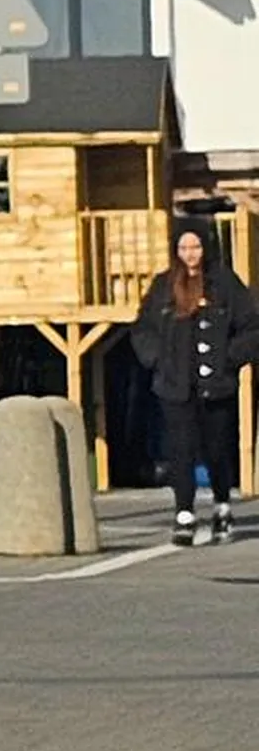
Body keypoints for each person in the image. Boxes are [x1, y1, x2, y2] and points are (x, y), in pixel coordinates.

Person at [131, 217, 259, 545]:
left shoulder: (225, 284)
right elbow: (143, 329)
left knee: (217, 449)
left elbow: (251, 327)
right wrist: (158, 360)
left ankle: (221, 505)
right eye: (184, 247)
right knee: (180, 450)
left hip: (216, 386)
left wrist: (230, 359)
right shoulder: (163, 286)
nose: (191, 254)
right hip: (175, 385)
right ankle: (184, 513)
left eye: (196, 246)